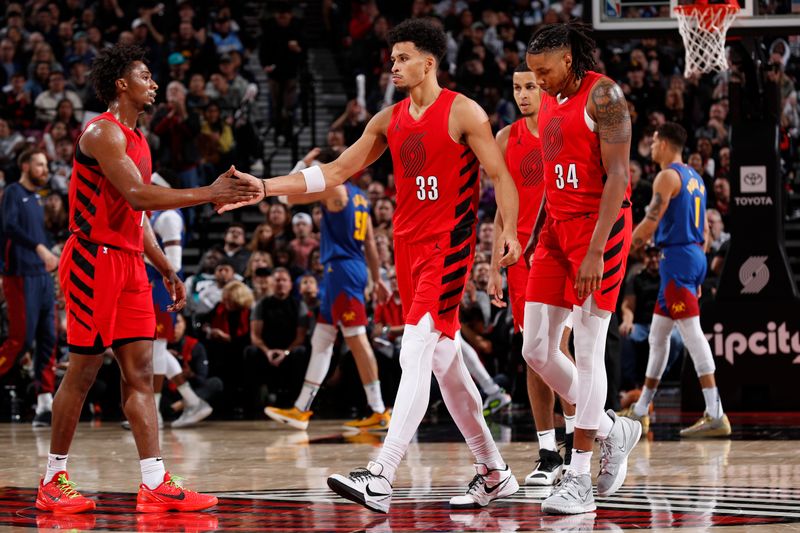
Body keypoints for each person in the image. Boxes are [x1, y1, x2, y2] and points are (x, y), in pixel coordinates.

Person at [221, 18, 522, 513]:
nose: (394, 64)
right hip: (405, 247)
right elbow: (336, 171)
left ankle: (382, 473)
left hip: (447, 247)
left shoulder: (463, 111)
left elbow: (500, 175)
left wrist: (508, 231)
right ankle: (493, 471)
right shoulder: (387, 120)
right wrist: (267, 186)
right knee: (446, 366)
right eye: (393, 57)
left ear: (429, 62)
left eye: (403, 57)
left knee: (416, 348)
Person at [35, 43, 259, 515]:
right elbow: (138, 196)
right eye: (145, 75)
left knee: (140, 372)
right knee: (84, 371)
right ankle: (53, 478)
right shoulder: (102, 133)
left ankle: (155, 482)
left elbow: (135, 217)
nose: (153, 83)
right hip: (92, 260)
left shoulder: (140, 141)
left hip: (131, 261)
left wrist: (164, 267)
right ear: (122, 84)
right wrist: (209, 193)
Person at [523, 22, 641, 515]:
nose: (537, 82)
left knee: (589, 351)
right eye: (532, 74)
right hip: (556, 229)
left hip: (601, 230)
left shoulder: (606, 96)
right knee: (535, 348)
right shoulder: (550, 97)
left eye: (544, 72)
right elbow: (555, 174)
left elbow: (619, 175)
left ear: (569, 60)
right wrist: (534, 235)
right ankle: (615, 429)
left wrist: (595, 249)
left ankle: (579, 477)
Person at [491, 63, 576, 486]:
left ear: (544, 87)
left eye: (530, 86)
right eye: (517, 87)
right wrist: (491, 268)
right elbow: (500, 210)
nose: (523, 93)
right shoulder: (506, 138)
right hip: (520, 261)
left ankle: (580, 441)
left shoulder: (565, 128)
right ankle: (547, 450)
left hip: (562, 254)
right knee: (532, 353)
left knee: (556, 350)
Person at [621, 122, 730, 438]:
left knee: (692, 333)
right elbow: (707, 232)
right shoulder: (695, 178)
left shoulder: (667, 176)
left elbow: (650, 222)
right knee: (658, 335)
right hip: (693, 254)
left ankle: (715, 411)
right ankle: (641, 410)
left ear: (665, 144)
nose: (651, 148)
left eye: (654, 142)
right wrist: (696, 266)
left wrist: (621, 250)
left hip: (679, 258)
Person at [264, 179, 392, 431]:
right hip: (350, 269)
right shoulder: (361, 198)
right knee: (321, 339)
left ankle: (378, 410)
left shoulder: (333, 187)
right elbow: (368, 241)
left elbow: (288, 198)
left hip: (341, 271)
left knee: (356, 338)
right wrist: (377, 279)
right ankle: (301, 409)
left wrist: (300, 167)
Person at [0, 148, 58, 428]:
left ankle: (45, 405)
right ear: (25, 166)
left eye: (46, 165)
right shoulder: (13, 192)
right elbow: (8, 226)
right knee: (20, 340)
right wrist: (40, 249)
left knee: (49, 338)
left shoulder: (38, 199)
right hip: (20, 274)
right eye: (39, 165)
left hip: (42, 277)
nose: (45, 170)